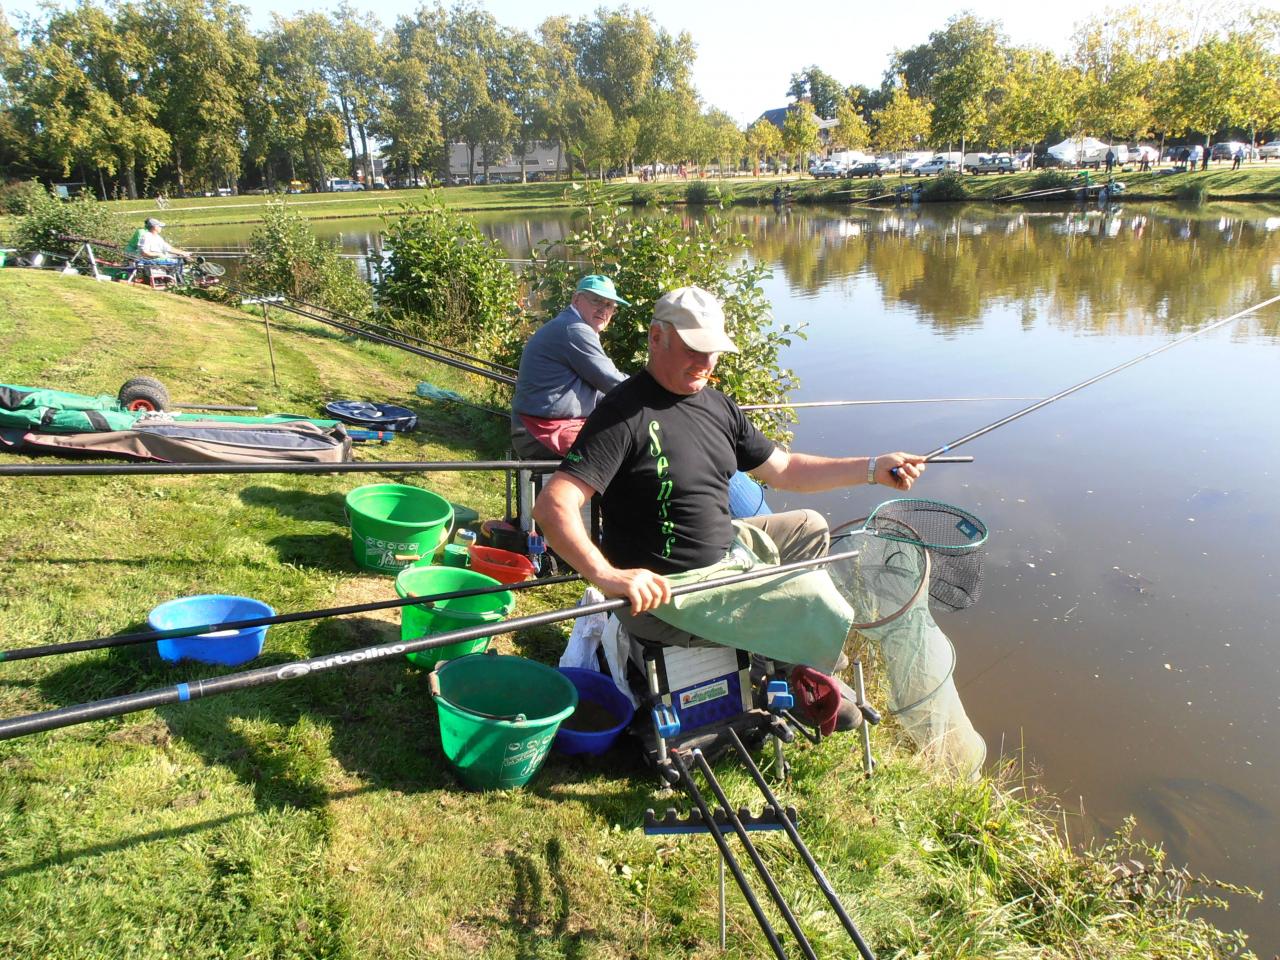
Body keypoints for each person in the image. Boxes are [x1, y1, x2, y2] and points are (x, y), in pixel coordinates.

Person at [533, 286, 927, 727]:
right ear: (656, 337)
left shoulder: (717, 405)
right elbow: (553, 506)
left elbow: (787, 470)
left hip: (725, 557)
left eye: (713, 351)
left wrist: (872, 468)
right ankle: (801, 664)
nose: (705, 363)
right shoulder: (623, 414)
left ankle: (785, 668)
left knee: (809, 526)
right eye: (693, 349)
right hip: (670, 594)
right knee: (817, 599)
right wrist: (608, 575)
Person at [510, 274, 629, 460]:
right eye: (596, 300)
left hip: (546, 427)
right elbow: (611, 381)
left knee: (623, 438)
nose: (603, 310)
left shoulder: (571, 325)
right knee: (623, 452)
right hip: (540, 432)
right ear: (576, 299)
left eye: (609, 305)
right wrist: (651, 389)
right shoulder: (575, 329)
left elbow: (601, 390)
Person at [125, 217, 191, 283]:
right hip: (150, 260)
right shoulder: (146, 237)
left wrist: (183, 252)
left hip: (157, 259)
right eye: (160, 226)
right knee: (179, 261)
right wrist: (158, 254)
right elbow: (144, 253)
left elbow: (168, 248)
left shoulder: (157, 237)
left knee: (181, 259)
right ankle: (176, 281)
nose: (161, 228)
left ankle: (175, 279)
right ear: (155, 227)